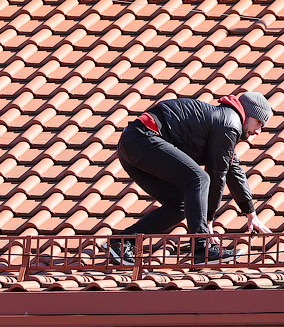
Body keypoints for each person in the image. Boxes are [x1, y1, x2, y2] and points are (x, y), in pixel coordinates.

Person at [111, 92, 273, 265]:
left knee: (180, 204)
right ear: (247, 114)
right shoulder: (229, 123)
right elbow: (217, 174)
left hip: (132, 145)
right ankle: (201, 248)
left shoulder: (225, 124)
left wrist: (250, 213)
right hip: (143, 139)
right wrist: (208, 220)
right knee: (199, 179)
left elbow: (233, 169)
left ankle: (123, 242)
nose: (258, 131)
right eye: (258, 123)